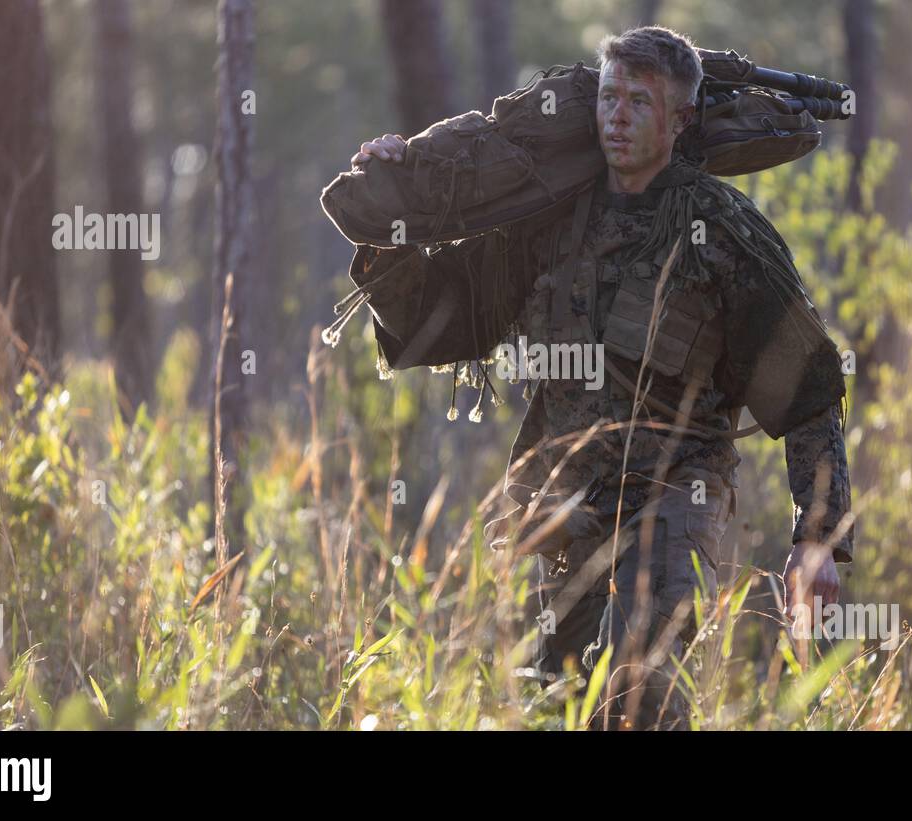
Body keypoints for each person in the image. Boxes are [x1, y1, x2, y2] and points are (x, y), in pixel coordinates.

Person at [346, 26, 852, 729]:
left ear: (680, 119)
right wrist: (386, 220)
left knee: (640, 691)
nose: (617, 115)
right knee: (558, 700)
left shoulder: (721, 231)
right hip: (566, 507)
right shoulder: (550, 222)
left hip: (677, 495)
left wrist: (818, 536)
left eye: (640, 103)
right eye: (609, 97)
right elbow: (446, 317)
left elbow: (809, 392)